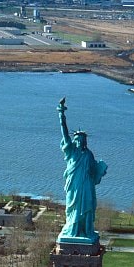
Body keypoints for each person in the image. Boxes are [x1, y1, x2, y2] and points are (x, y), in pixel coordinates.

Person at [57, 98, 107, 241]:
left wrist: (100, 169)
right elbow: (65, 134)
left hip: (86, 185)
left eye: (82, 139)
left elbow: (93, 171)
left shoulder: (89, 154)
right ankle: (73, 230)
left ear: (85, 141)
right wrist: (61, 115)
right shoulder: (71, 152)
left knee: (88, 206)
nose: (79, 141)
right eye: (77, 139)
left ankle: (86, 230)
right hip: (74, 185)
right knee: (73, 207)